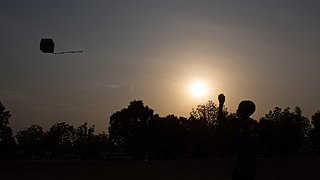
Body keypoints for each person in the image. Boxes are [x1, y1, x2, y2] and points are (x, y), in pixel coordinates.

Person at [217, 94, 259, 180]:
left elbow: (253, 144)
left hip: (247, 162)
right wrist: (221, 104)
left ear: (245, 111)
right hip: (240, 160)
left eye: (239, 108)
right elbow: (220, 118)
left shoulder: (250, 125)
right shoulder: (238, 122)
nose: (237, 110)